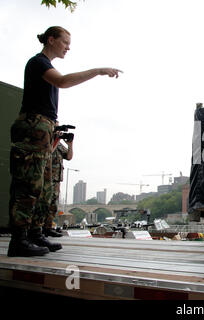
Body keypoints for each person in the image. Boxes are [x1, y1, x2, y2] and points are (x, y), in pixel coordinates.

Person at [7, 26, 122, 257]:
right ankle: (19, 240)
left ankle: (35, 234)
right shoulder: (38, 63)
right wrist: (98, 70)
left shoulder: (45, 65)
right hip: (33, 127)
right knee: (28, 186)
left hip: (43, 128)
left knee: (41, 187)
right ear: (51, 40)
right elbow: (62, 81)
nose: (68, 47)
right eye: (65, 42)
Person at [44, 123, 74, 237]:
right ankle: (38, 228)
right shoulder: (46, 140)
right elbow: (48, 152)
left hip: (56, 179)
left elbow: (69, 156)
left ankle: (48, 227)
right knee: (44, 203)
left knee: (53, 205)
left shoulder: (59, 144)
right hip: (46, 177)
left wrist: (70, 144)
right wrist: (55, 139)